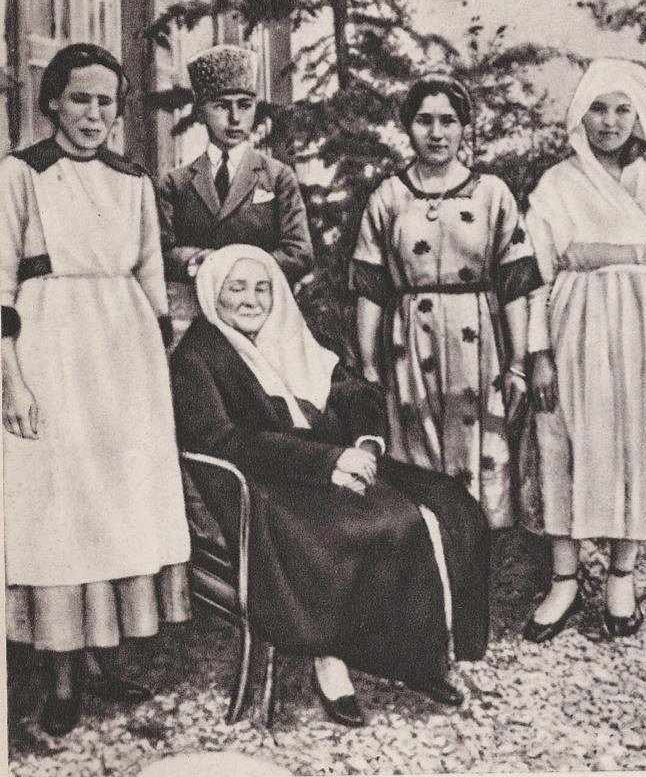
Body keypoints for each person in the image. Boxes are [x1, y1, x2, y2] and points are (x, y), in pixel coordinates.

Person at [170, 244, 490, 727]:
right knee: (377, 523)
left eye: (262, 288)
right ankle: (331, 657)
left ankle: (417, 657)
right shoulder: (198, 355)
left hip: (334, 460)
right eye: (237, 288)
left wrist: (364, 444)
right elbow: (224, 440)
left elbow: (353, 391)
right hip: (267, 485)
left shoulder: (290, 334)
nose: (252, 300)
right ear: (215, 293)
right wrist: (327, 463)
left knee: (452, 506)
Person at [1, 43, 191, 735]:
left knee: (118, 502)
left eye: (105, 101)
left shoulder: (132, 179)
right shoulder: (20, 173)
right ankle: (60, 677)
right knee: (59, 507)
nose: (92, 114)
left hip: (124, 355)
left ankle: (106, 661)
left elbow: (150, 274)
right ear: (53, 101)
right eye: (79, 98)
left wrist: (157, 366)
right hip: (50, 346)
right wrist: (12, 380)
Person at [522, 57, 646, 643]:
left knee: (638, 443)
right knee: (562, 440)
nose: (610, 122)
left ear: (640, 115)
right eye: (598, 108)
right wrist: (539, 352)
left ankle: (622, 574)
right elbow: (536, 274)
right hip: (576, 321)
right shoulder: (557, 183)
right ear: (580, 114)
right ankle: (564, 579)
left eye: (623, 109)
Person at [351, 73, 545, 529]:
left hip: (478, 342)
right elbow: (369, 287)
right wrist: (369, 367)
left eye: (448, 121)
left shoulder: (492, 193)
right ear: (408, 126)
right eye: (424, 120)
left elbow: (516, 283)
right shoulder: (389, 196)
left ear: (463, 127)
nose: (436, 133)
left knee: (480, 452)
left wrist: (518, 363)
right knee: (416, 451)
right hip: (410, 343)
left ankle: (479, 555)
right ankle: (428, 557)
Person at [157, 45, 313, 342]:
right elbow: (160, 253)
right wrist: (197, 260)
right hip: (197, 321)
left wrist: (240, 270)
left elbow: (300, 252)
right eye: (221, 106)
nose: (235, 118)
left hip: (263, 319)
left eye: (245, 105)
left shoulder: (277, 177)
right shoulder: (175, 184)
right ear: (200, 112)